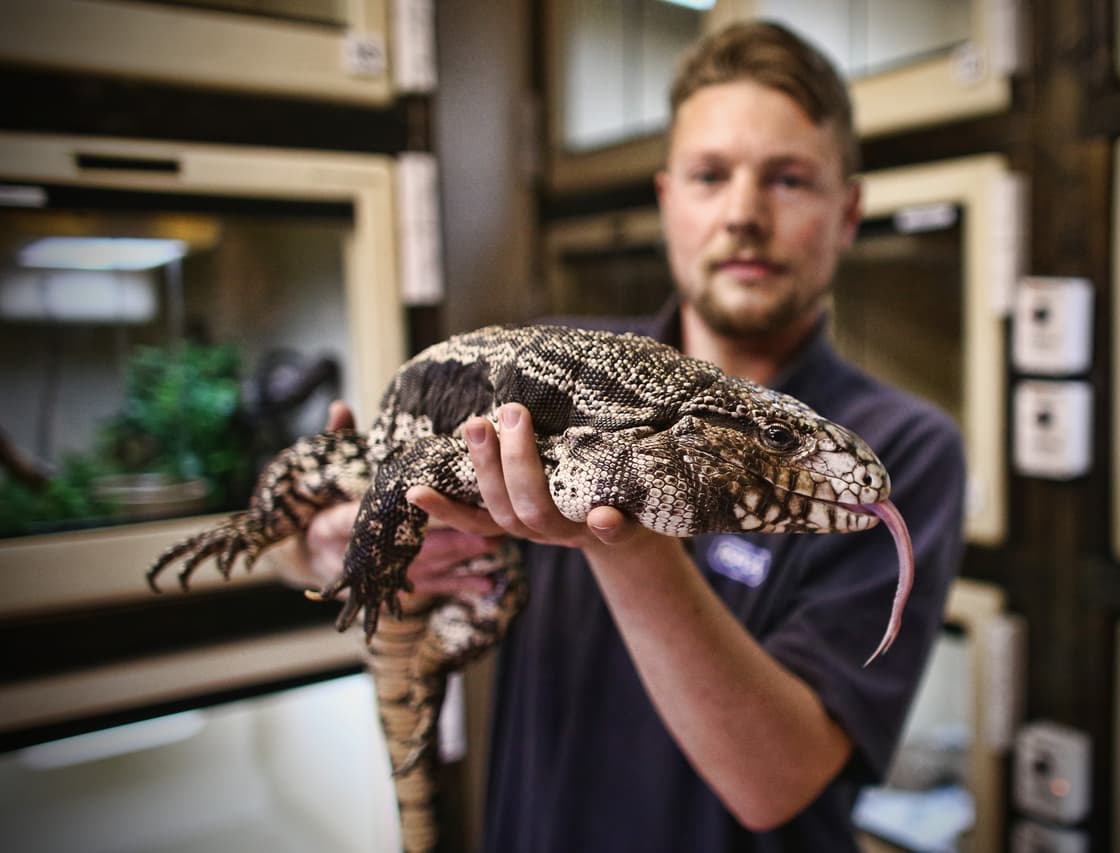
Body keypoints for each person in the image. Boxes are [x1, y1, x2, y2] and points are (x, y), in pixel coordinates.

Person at [288, 20, 966, 852]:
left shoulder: (899, 450)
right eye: (710, 175)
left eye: (789, 179)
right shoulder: (548, 369)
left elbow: (775, 782)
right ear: (667, 198)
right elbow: (316, 548)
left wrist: (626, 535)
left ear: (849, 210)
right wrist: (338, 543)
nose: (744, 214)